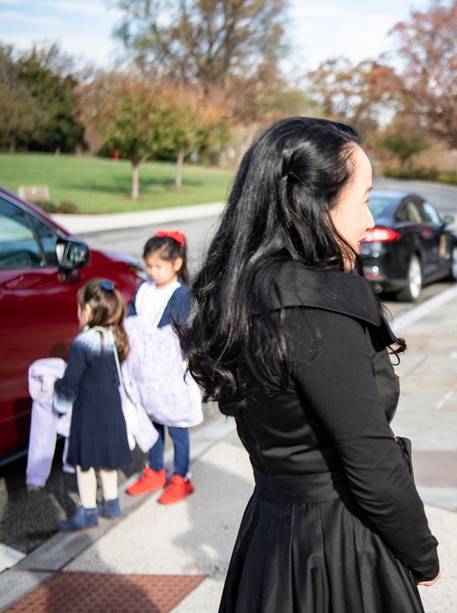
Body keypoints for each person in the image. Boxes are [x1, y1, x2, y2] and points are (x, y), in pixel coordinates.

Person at [179, 117, 440, 612]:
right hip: (338, 550)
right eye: (362, 200)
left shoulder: (244, 290)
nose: (368, 220)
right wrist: (422, 554)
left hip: (271, 538)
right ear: (312, 206)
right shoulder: (315, 309)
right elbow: (370, 461)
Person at [124, 230, 201, 505]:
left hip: (170, 376)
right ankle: (156, 469)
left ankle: (182, 476)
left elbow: (174, 333)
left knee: (177, 427)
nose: (152, 272)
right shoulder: (143, 290)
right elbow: (131, 318)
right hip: (145, 374)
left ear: (177, 264)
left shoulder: (181, 293)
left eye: (159, 266)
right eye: (149, 266)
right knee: (152, 423)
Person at [53, 278, 133, 532]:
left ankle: (87, 511)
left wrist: (59, 398)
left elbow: (71, 381)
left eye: (80, 307)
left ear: (88, 310)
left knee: (85, 464)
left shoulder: (82, 343)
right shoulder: (113, 338)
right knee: (107, 461)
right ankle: (112, 504)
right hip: (111, 411)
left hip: (88, 414)